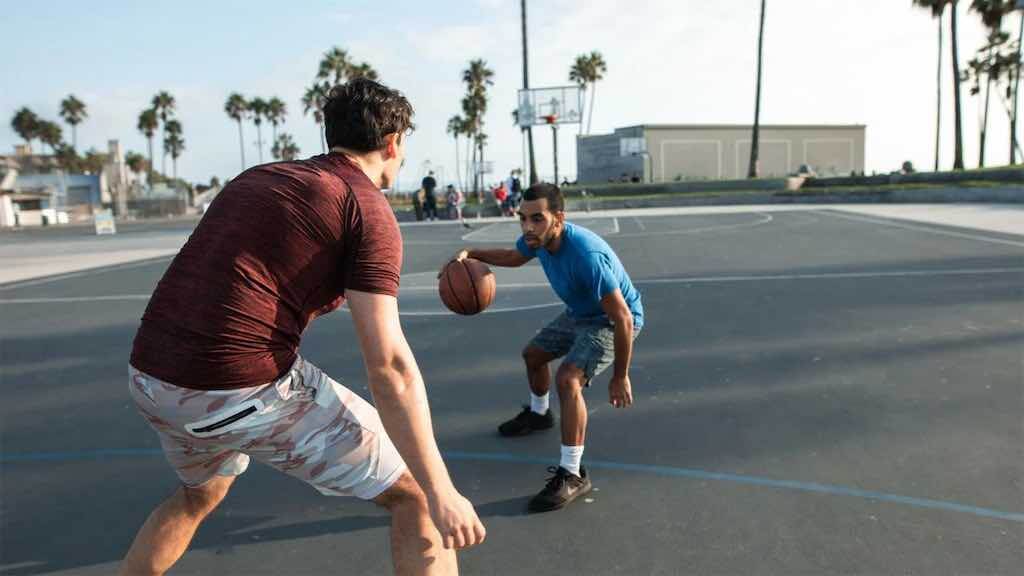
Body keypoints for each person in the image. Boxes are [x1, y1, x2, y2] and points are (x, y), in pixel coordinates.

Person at [121, 78, 485, 576]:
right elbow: (391, 367)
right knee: (416, 496)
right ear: (394, 142)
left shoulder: (258, 177)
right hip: (234, 390)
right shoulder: (365, 206)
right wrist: (442, 490)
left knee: (199, 494)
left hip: (149, 377)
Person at [446, 183, 643, 513]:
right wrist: (471, 254)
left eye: (537, 219)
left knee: (568, 380)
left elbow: (622, 317)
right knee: (533, 355)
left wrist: (621, 376)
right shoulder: (537, 240)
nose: (527, 227)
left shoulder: (586, 257)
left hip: (610, 321)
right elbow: (512, 257)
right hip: (580, 313)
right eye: (522, 219)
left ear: (559, 218)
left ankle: (572, 472)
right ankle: (539, 415)